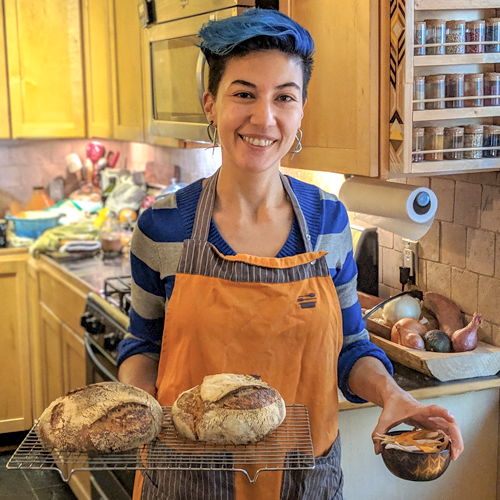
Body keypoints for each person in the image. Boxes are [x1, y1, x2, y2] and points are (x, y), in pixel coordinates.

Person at [118, 8, 463, 499]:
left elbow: (349, 349)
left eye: (284, 97)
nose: (264, 118)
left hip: (302, 480)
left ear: (301, 111)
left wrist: (393, 394)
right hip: (184, 479)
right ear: (211, 104)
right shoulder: (163, 225)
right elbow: (143, 346)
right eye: (243, 94)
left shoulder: (328, 223)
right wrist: (131, 405)